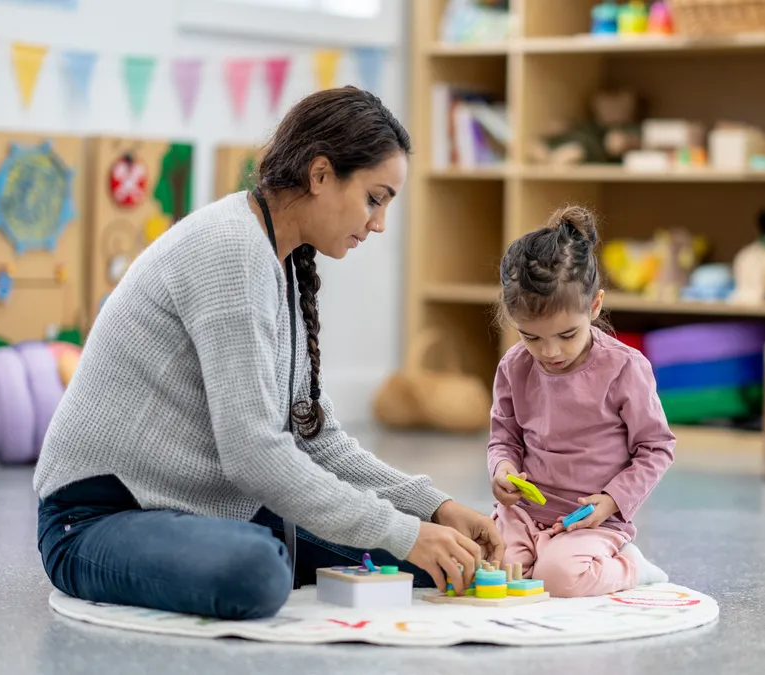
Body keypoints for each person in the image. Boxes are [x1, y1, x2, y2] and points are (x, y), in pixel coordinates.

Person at [33, 86, 504, 621]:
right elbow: (254, 455)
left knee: (443, 557)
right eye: (375, 198)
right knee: (258, 571)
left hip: (206, 511)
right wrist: (404, 531)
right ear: (321, 175)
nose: (379, 224)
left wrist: (432, 508)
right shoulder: (231, 249)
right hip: (98, 520)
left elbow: (318, 439)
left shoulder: (281, 262)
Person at [486, 205, 675, 598]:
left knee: (560, 580)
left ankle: (632, 567)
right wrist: (502, 468)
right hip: (523, 514)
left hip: (590, 520)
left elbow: (656, 448)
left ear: (595, 305)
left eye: (567, 335)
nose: (550, 352)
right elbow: (504, 436)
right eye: (532, 337)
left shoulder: (624, 368)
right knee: (495, 572)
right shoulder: (514, 366)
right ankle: (541, 554)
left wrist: (611, 502)